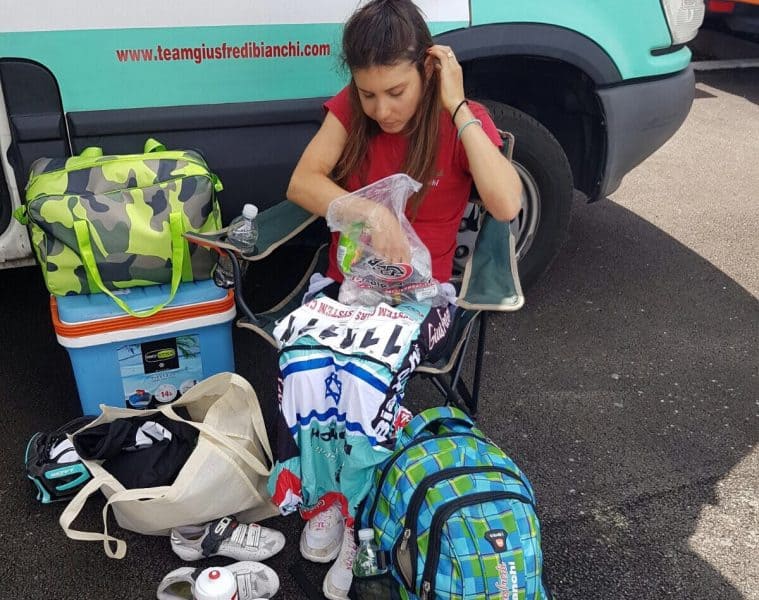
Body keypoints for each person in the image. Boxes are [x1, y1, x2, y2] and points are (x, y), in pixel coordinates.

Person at [278, 1, 522, 597]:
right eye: (368, 94)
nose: (382, 110)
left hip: (423, 298)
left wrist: (457, 105)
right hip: (349, 286)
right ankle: (328, 498)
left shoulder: (457, 119)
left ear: (427, 69)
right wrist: (369, 211)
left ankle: (364, 515)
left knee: (366, 372)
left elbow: (506, 202)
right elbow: (302, 182)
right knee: (304, 359)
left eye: (396, 92)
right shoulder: (351, 110)